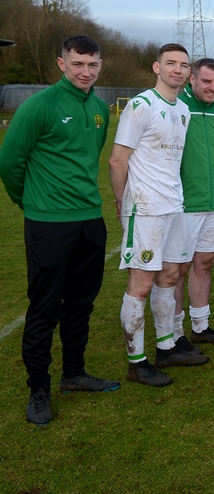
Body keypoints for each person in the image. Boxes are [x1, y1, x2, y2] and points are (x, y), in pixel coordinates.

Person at [0, 35, 120, 425]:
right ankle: (38, 389)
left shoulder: (100, 108)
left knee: (81, 303)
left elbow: (90, 156)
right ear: (61, 63)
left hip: (89, 219)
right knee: (45, 306)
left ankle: (74, 373)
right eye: (78, 64)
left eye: (92, 64)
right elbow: (10, 163)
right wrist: (31, 203)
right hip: (48, 223)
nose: (85, 71)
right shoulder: (39, 105)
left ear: (100, 65)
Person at [109, 43, 209, 388]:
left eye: (183, 65)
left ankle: (167, 346)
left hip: (174, 205)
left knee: (170, 275)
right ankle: (136, 362)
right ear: (156, 67)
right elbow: (117, 160)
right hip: (147, 208)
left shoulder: (182, 108)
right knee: (140, 284)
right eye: (171, 63)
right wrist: (124, 204)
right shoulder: (140, 106)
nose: (178, 70)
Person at [170, 58, 214, 349]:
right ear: (192, 79)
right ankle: (173, 333)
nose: (212, 87)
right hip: (184, 203)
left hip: (213, 202)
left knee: (205, 263)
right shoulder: (178, 109)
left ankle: (201, 325)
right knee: (177, 270)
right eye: (206, 81)